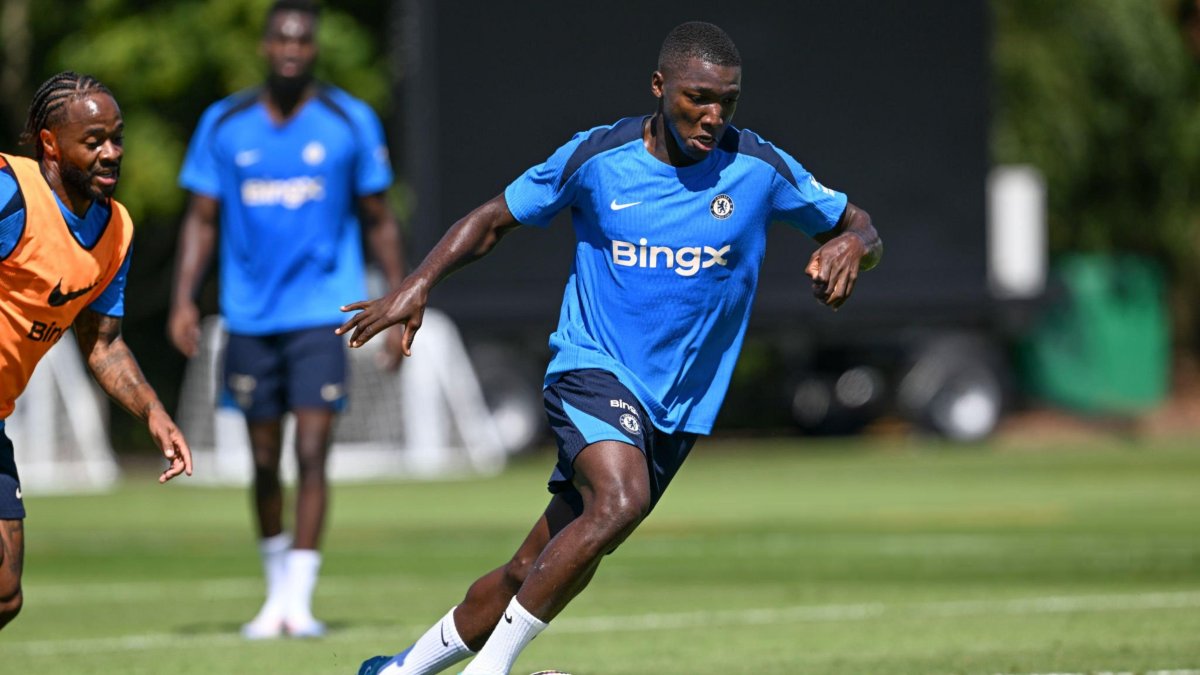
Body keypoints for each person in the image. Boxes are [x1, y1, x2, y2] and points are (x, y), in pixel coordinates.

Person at [345, 20, 882, 675]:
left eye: (727, 102)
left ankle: (399, 671)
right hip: (591, 368)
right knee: (618, 502)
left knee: (533, 564)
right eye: (697, 98)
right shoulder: (598, 159)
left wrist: (853, 244)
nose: (713, 116)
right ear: (660, 87)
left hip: (676, 407)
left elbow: (859, 222)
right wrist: (418, 281)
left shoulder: (759, 169)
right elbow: (491, 220)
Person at [167, 0, 406, 640]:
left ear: (315, 48)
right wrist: (184, 297)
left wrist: (403, 303)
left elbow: (380, 218)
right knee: (265, 458)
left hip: (320, 314)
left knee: (312, 450)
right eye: (282, 39)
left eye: (303, 40)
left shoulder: (348, 121)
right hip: (248, 317)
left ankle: (298, 602)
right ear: (265, 47)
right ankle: (274, 596)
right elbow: (201, 218)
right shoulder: (225, 123)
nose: (292, 50)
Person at [0, 71, 194, 631]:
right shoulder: (11, 192)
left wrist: (154, 411)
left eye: (117, 138)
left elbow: (103, 344)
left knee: (5, 595)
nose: (111, 153)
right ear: (50, 145)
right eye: (94, 141)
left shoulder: (116, 231)